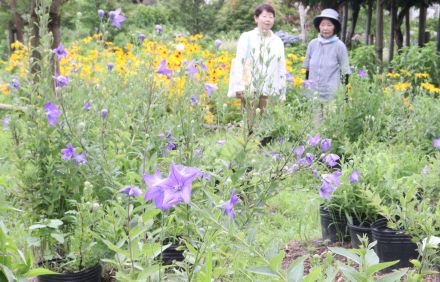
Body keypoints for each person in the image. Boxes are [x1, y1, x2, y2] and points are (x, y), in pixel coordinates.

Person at [227, 3, 287, 114]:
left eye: (271, 17)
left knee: (265, 121)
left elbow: (281, 66)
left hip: (269, 89)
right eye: (264, 16)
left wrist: (282, 91)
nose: (268, 20)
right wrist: (239, 86)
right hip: (250, 88)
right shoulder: (247, 37)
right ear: (256, 18)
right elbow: (240, 62)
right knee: (249, 122)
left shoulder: (277, 41)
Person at [302, 8, 350, 124]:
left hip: (332, 94)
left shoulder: (340, 46)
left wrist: (345, 95)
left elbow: (345, 72)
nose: (325, 28)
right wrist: (306, 90)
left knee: (330, 126)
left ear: (335, 27)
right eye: (323, 25)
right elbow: (307, 69)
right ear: (319, 26)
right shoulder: (313, 44)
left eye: (329, 25)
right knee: (314, 125)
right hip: (314, 93)